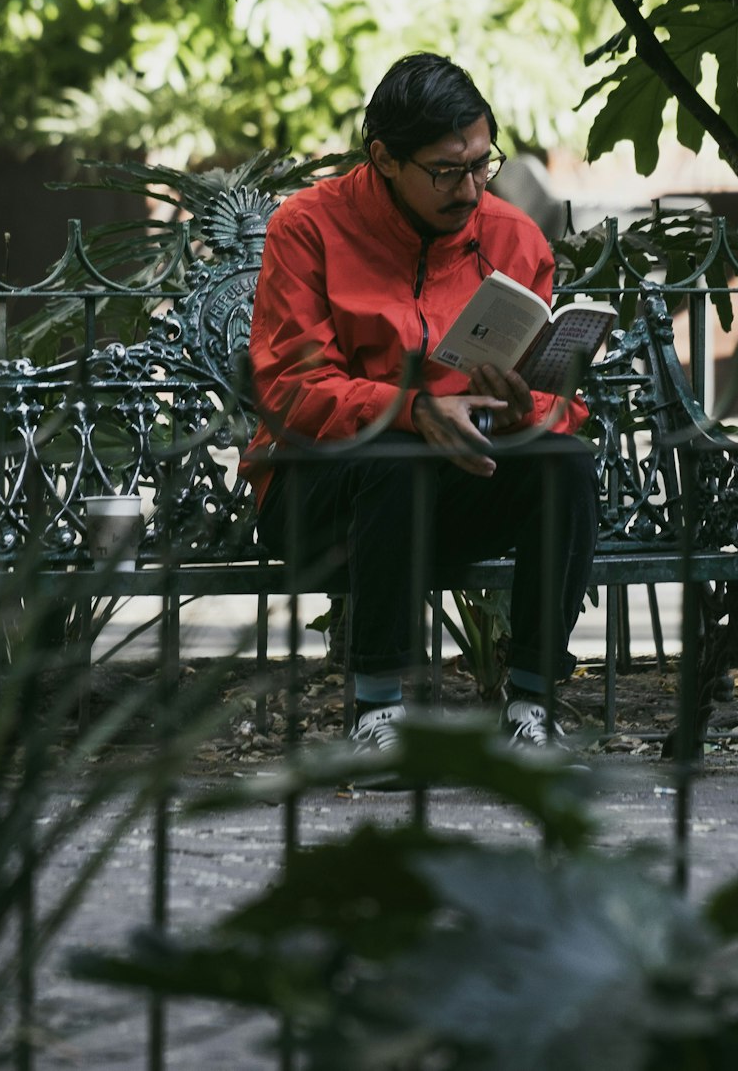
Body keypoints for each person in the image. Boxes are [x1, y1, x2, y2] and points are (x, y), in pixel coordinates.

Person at [246, 53, 599, 755]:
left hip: (456, 489)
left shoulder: (512, 237)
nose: (470, 189)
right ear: (383, 158)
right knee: (397, 453)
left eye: (480, 164)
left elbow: (563, 405)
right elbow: (289, 386)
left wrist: (522, 408)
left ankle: (532, 705)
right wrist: (413, 410)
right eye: (446, 171)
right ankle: (377, 713)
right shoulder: (308, 228)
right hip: (317, 491)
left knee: (565, 462)